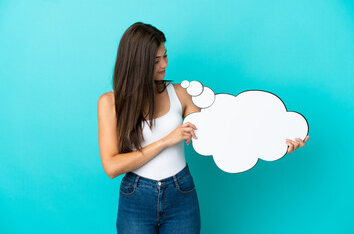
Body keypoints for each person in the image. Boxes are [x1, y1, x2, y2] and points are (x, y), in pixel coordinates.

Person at [97, 22, 309, 234]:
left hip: (180, 192)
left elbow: (227, 130)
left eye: (165, 55)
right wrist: (165, 141)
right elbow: (112, 167)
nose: (165, 64)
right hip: (136, 196)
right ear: (137, 62)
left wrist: (279, 140)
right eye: (156, 60)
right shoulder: (110, 103)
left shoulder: (180, 93)